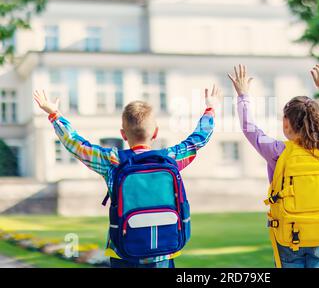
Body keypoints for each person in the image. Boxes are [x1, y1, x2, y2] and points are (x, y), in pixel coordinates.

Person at [33, 85, 221, 268]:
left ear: (123, 134)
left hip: (122, 251)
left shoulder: (113, 161)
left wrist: (54, 114)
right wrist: (210, 109)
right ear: (155, 132)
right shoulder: (170, 159)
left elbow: (75, 144)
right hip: (163, 252)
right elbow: (198, 140)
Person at [228, 64, 319, 268]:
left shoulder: (278, 152)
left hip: (289, 234)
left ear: (287, 124)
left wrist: (243, 95)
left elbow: (250, 129)